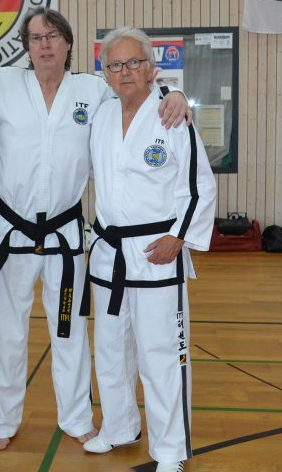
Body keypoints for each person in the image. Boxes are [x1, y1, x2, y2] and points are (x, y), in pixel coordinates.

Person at [0, 8, 192, 452]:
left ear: (69, 44)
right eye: (34, 38)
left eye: (52, 36)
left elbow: (139, 94)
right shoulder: (1, 84)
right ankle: (3, 419)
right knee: (6, 333)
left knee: (68, 329)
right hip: (9, 233)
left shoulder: (92, 90)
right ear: (26, 47)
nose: (44, 45)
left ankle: (75, 416)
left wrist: (175, 93)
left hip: (65, 234)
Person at [83, 27, 216, 472]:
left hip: (159, 252)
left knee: (161, 356)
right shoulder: (101, 116)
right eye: (115, 64)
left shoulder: (171, 116)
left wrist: (179, 237)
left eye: (134, 62)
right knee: (111, 348)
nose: (125, 72)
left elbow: (199, 186)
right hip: (109, 253)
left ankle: (171, 450)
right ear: (105, 73)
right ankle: (119, 427)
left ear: (152, 67)